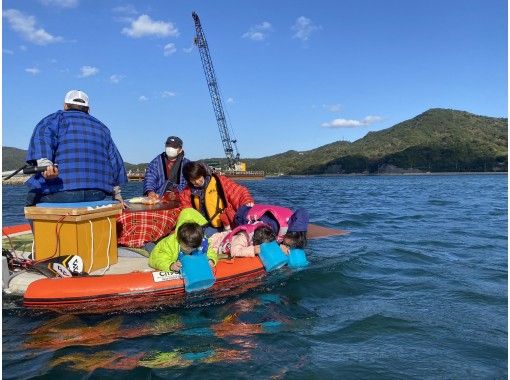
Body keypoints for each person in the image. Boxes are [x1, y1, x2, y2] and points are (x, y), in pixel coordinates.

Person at [25, 90, 127, 207]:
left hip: (61, 193)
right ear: (88, 109)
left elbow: (42, 140)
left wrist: (46, 166)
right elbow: (115, 162)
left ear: (65, 105)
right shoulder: (102, 128)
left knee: (31, 199)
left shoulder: (53, 120)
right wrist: (117, 194)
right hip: (97, 193)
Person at [179, 162, 254, 235]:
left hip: (226, 224)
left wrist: (247, 202)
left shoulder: (220, 181)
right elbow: (186, 210)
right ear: (188, 180)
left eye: (198, 177)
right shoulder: (186, 193)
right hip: (204, 227)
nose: (197, 182)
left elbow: (238, 192)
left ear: (202, 173)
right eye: (193, 180)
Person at [149, 208, 218, 272]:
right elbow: (157, 259)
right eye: (187, 247)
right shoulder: (170, 244)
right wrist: (170, 266)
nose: (190, 250)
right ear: (179, 240)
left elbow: (210, 252)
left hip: (185, 257)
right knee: (150, 247)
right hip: (160, 249)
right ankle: (147, 244)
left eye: (193, 247)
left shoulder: (202, 241)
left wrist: (211, 260)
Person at [143, 136, 190, 201]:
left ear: (180, 150)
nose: (170, 148)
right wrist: (150, 192)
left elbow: (190, 184)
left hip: (181, 199)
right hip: (159, 197)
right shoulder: (155, 163)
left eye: (174, 147)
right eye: (168, 146)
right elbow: (150, 179)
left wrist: (177, 194)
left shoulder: (187, 164)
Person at [209, 222, 276, 258]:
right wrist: (253, 250)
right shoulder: (242, 238)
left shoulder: (256, 235)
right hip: (216, 244)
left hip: (228, 238)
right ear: (256, 244)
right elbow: (234, 251)